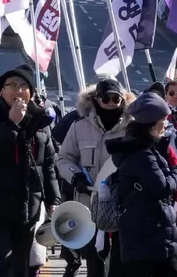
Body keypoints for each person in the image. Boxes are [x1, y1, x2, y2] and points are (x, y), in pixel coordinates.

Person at [0, 64, 59, 277]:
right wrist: (12, 124)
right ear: (1, 91)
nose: (18, 91)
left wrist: (53, 200)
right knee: (1, 261)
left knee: (21, 264)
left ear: (31, 92)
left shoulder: (39, 121)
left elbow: (48, 164)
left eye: (23, 86)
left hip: (29, 204)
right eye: (11, 85)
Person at [107, 92, 177, 277]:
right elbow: (162, 187)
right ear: (151, 125)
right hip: (148, 237)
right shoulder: (142, 155)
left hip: (151, 236)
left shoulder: (143, 150)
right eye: (163, 120)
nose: (166, 124)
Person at [56, 78, 130, 277]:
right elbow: (63, 158)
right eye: (106, 98)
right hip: (90, 202)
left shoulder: (132, 127)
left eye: (116, 99)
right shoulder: (79, 126)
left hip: (124, 201)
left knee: (122, 257)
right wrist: (76, 177)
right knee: (94, 258)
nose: (112, 103)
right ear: (97, 100)